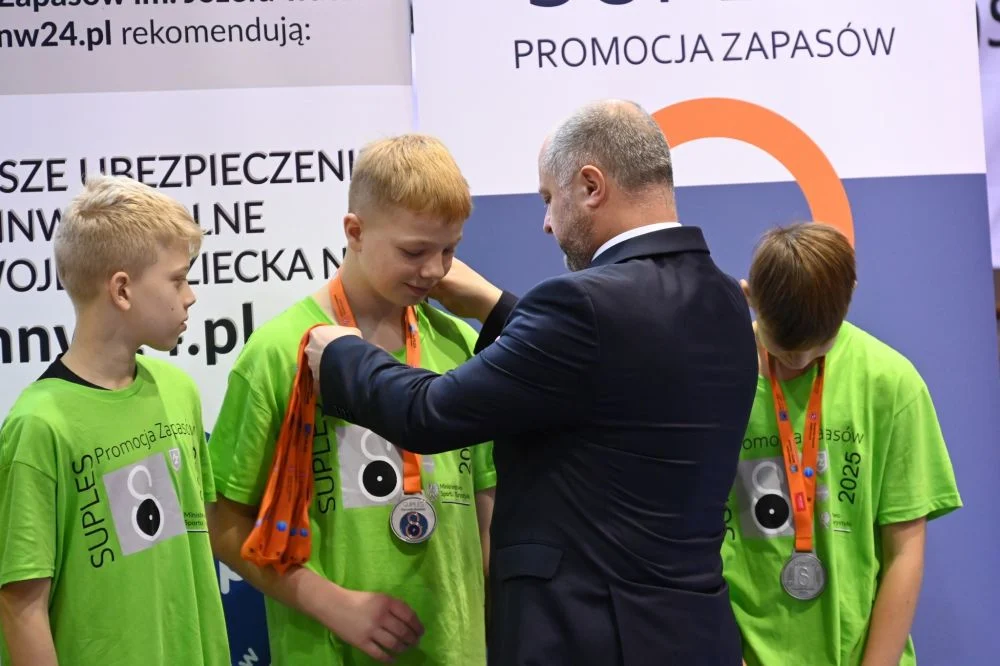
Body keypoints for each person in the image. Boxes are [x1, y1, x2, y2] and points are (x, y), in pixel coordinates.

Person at [306, 99, 760, 665]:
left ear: (590, 186)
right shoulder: (724, 297)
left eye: (549, 198)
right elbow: (612, 368)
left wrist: (340, 353)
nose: (546, 223)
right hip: (697, 639)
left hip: (588, 642)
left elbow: (429, 411)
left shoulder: (582, 306)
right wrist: (494, 305)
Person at [207, 134, 496, 666]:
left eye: (449, 250)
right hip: (327, 649)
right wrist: (331, 603)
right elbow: (225, 523)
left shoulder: (458, 342)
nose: (435, 270)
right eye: (414, 251)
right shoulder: (278, 352)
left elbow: (485, 508)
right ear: (355, 232)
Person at [0, 175, 230, 665]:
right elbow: (21, 607)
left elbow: (194, 546)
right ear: (122, 290)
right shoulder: (39, 426)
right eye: (177, 279)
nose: (190, 296)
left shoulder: (179, 391)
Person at [719, 223, 962, 666]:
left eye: (819, 347)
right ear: (748, 295)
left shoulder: (891, 384)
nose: (798, 361)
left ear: (850, 295)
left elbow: (905, 551)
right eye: (782, 347)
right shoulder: (710, 380)